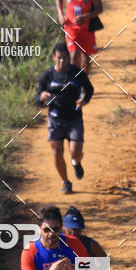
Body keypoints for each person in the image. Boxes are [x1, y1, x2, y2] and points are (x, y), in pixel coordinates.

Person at [36, 41, 94, 195]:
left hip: (74, 119)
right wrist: (42, 96)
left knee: (75, 151)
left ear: (69, 57)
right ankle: (66, 182)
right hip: (55, 119)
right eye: (59, 58)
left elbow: (89, 89)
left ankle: (76, 162)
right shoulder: (47, 75)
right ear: (54, 58)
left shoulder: (76, 73)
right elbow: (37, 96)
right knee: (57, 151)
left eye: (65, 58)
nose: (62, 61)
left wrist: (84, 100)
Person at [56, 0, 103, 74]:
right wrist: (60, 15)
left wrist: (87, 16)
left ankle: (84, 81)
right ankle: (74, 81)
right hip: (71, 28)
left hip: (86, 29)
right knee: (73, 55)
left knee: (86, 57)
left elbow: (99, 8)